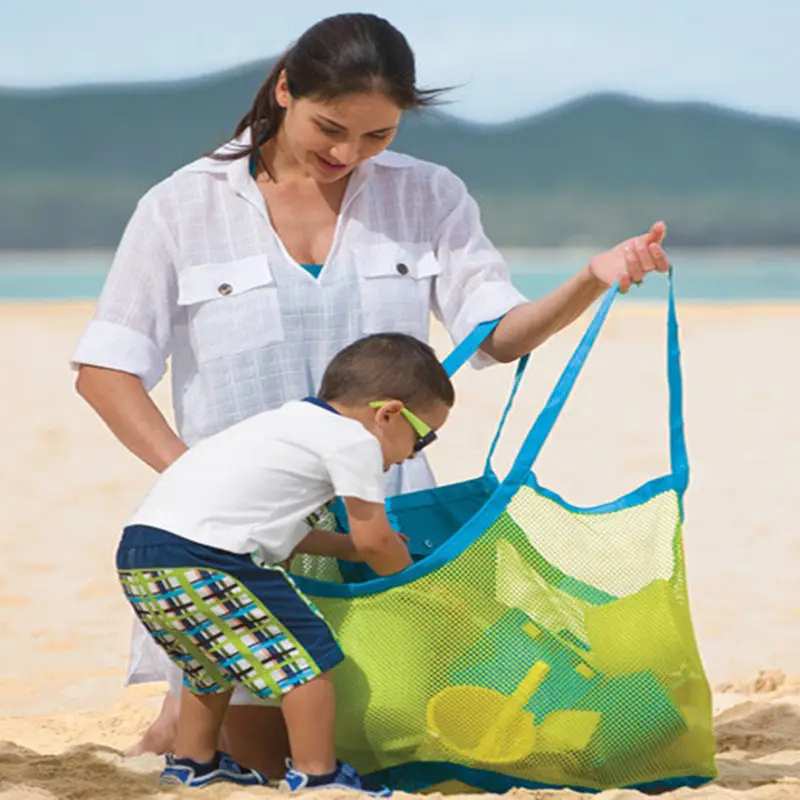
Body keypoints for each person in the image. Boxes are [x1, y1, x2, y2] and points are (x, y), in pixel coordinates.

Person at [71, 12, 669, 774]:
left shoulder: (430, 196)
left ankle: (186, 724)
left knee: (394, 749)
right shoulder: (181, 206)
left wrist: (591, 277)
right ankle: (188, 723)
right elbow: (106, 369)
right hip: (244, 545)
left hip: (378, 524)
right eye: (330, 128)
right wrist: (197, 481)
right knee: (263, 757)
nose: (346, 155)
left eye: (376, 137)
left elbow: (500, 335)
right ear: (285, 88)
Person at [116, 333, 452, 790]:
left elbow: (291, 539)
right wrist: (414, 585)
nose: (413, 454)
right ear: (389, 413)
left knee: (207, 661)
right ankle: (318, 774)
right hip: (208, 558)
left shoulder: (286, 424)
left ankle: (195, 762)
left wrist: (347, 547)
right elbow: (375, 540)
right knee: (307, 652)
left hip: (143, 554)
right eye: (422, 437)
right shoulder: (355, 441)